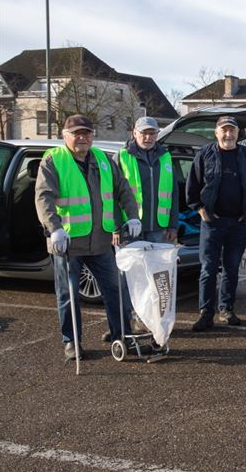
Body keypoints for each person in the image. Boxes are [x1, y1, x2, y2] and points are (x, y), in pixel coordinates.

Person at [34, 114, 141, 360]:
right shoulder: (53, 160)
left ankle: (120, 335)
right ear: (65, 136)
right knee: (68, 295)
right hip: (68, 243)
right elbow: (43, 197)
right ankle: (72, 342)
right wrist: (54, 228)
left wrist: (132, 216)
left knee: (114, 289)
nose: (82, 137)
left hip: (101, 241)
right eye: (77, 133)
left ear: (92, 135)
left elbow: (123, 189)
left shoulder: (103, 159)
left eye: (87, 133)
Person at [186, 116, 246, 331]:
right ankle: (206, 313)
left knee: (231, 269)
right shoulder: (204, 155)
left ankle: (226, 309)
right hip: (212, 222)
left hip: (238, 224)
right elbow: (192, 187)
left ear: (238, 133)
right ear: (216, 132)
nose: (228, 134)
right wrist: (201, 209)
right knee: (208, 269)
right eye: (224, 130)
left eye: (232, 130)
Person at [107, 116, 179, 341]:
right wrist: (117, 226)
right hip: (130, 229)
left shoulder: (166, 157)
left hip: (159, 227)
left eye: (152, 133)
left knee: (157, 279)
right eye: (144, 133)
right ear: (134, 133)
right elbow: (110, 195)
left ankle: (152, 320)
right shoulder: (121, 157)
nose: (148, 137)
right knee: (129, 279)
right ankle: (126, 323)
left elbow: (174, 193)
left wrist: (172, 225)